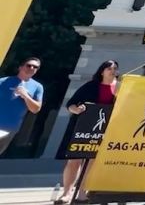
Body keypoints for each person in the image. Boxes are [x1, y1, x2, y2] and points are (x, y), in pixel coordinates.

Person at [54, 60, 118, 204]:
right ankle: (66, 193)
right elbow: (71, 104)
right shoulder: (90, 86)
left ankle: (82, 193)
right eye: (109, 68)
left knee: (93, 161)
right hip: (82, 128)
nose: (112, 71)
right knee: (74, 160)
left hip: (104, 130)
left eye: (115, 68)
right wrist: (76, 110)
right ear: (102, 71)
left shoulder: (120, 88)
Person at [0, 57, 44, 156]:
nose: (32, 68)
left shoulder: (37, 87)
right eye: (29, 65)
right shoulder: (3, 81)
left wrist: (25, 95)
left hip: (10, 128)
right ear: (20, 67)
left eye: (35, 67)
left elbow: (35, 109)